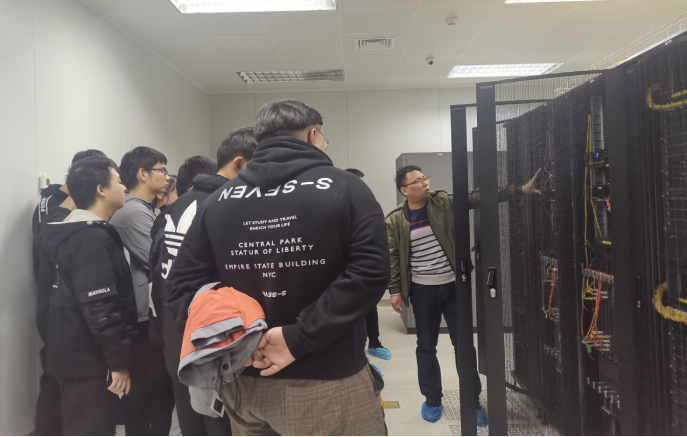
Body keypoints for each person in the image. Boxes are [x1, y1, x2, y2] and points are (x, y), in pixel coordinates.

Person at [167, 100, 390, 436]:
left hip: (243, 384)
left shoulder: (217, 201)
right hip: (326, 382)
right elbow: (370, 273)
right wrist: (297, 338)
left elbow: (182, 287)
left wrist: (239, 343)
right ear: (313, 135)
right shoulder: (346, 187)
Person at [386, 165, 541, 426]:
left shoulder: (442, 202)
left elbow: (476, 197)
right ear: (404, 190)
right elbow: (392, 257)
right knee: (426, 347)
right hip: (422, 291)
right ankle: (432, 399)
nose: (425, 183)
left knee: (464, 346)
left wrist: (518, 190)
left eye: (425, 177)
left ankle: (472, 400)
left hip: (454, 286)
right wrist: (394, 290)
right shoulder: (394, 220)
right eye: (418, 181)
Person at [150, 143, 254, 436]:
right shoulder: (227, 205)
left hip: (175, 336)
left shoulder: (170, 210)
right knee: (222, 422)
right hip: (215, 339)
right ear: (239, 165)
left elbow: (157, 274)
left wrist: (161, 332)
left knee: (191, 422)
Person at [40, 157, 139, 436]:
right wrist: (118, 362)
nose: (124, 187)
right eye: (118, 181)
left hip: (74, 356)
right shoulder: (90, 239)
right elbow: (99, 306)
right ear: (101, 189)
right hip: (88, 362)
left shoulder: (76, 231)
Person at [32, 149, 107, 437]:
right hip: (56, 309)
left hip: (53, 306)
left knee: (57, 384)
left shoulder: (54, 207)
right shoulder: (57, 213)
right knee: (60, 386)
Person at [110, 146, 175, 436]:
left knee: (156, 391)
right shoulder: (134, 212)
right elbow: (161, 261)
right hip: (141, 318)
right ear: (142, 174)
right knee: (149, 391)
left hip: (146, 313)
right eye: (162, 170)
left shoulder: (145, 209)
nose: (167, 177)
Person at [345, 168, 392, 362]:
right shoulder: (336, 203)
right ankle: (356, 352)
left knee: (370, 306)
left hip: (365, 262)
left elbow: (379, 231)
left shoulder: (371, 204)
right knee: (349, 308)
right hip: (344, 265)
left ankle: (374, 343)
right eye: (358, 181)